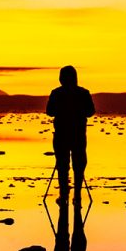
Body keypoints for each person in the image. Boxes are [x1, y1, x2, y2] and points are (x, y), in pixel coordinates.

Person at [45, 65, 95, 194]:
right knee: (79, 164)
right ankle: (77, 194)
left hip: (61, 134)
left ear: (61, 78)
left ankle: (63, 194)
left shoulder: (56, 93)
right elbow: (90, 112)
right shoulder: (83, 93)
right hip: (78, 134)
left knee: (62, 164)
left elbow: (49, 112)